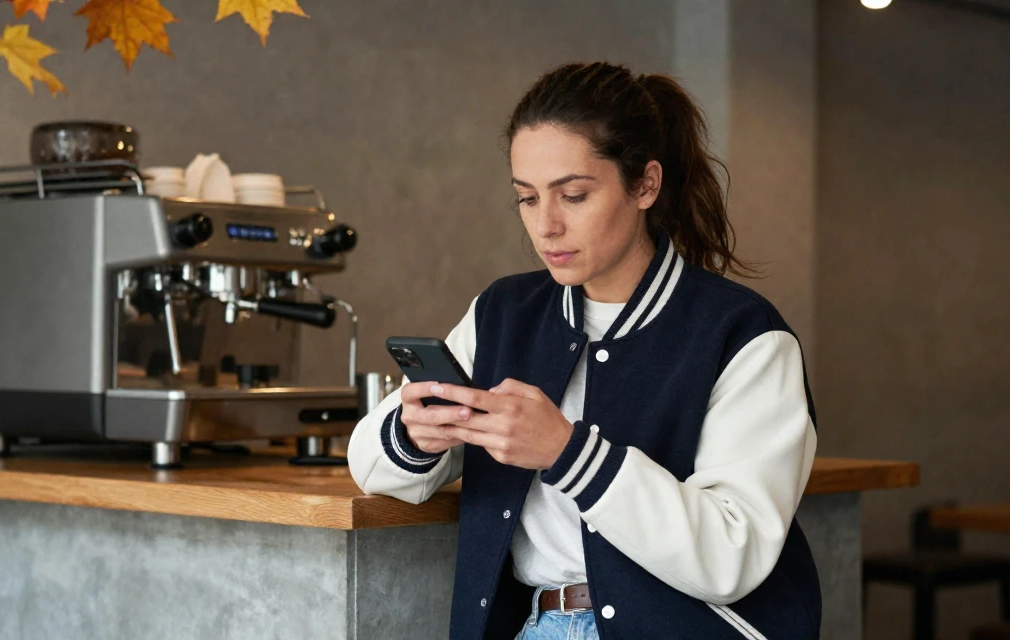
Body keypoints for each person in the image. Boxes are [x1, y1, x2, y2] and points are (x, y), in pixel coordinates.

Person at [348, 61, 820, 640]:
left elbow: (731, 555)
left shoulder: (743, 334)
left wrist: (567, 452)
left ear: (645, 185)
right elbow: (370, 466)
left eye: (573, 195)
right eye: (526, 198)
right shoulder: (503, 312)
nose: (545, 225)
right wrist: (415, 434)